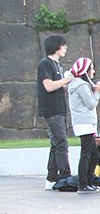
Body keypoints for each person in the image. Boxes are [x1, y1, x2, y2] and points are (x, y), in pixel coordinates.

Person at [36, 34, 75, 189]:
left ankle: (52, 178)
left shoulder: (58, 65)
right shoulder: (45, 64)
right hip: (52, 110)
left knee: (56, 143)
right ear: (55, 47)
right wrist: (67, 79)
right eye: (63, 45)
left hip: (60, 108)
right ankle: (65, 177)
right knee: (62, 143)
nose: (65, 48)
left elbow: (59, 85)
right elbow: (49, 86)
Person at [67, 57, 100, 193]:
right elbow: (91, 103)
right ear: (85, 71)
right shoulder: (81, 85)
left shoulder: (77, 84)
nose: (93, 71)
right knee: (87, 154)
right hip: (84, 123)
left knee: (93, 155)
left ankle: (88, 182)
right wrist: (97, 92)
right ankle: (83, 184)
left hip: (84, 123)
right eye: (91, 68)